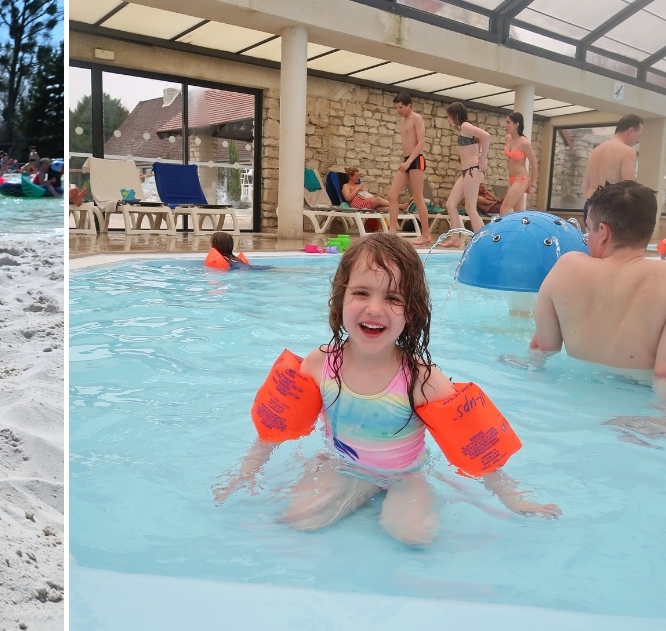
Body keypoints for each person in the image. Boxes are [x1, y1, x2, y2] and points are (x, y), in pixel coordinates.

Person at [213, 233, 560, 545]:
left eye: (393, 297)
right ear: (341, 298)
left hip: (405, 475)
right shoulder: (320, 365)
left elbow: (474, 448)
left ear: (412, 311)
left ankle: (382, 503)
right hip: (342, 465)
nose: (374, 308)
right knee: (300, 520)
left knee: (414, 535)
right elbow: (276, 428)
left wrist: (514, 497)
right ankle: (355, 494)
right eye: (361, 292)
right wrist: (246, 472)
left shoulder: (422, 380)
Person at [528, 181, 666, 401]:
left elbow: (542, 349)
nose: (586, 238)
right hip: (633, 411)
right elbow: (663, 374)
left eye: (587, 228)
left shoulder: (566, 268)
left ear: (603, 231)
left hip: (571, 399)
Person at [440, 102, 491, 248]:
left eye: (449, 116)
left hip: (472, 170)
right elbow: (482, 138)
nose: (448, 119)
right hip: (467, 172)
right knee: (450, 204)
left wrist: (482, 157)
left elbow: (486, 136)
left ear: (455, 115)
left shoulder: (465, 126)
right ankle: (455, 238)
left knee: (470, 208)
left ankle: (483, 242)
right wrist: (481, 153)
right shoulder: (466, 127)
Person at [385, 93, 433, 246]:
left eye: (401, 107)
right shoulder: (402, 121)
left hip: (416, 160)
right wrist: (406, 162)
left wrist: (409, 162)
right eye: (396, 107)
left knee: (418, 197)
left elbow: (421, 142)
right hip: (407, 161)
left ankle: (426, 235)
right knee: (392, 195)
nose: (398, 110)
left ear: (409, 105)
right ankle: (393, 231)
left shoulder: (416, 118)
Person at [582, 114, 642, 223]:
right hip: (610, 208)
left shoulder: (596, 150)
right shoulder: (627, 151)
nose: (638, 140)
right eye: (639, 135)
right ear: (631, 131)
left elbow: (585, 184)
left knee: (591, 239)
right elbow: (629, 186)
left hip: (590, 205)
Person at [499, 112, 538, 215]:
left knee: (504, 208)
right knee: (519, 214)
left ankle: (501, 231)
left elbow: (534, 164)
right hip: (512, 179)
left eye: (508, 122)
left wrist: (533, 184)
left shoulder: (524, 143)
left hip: (521, 180)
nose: (505, 125)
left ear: (516, 125)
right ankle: (525, 231)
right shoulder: (508, 138)